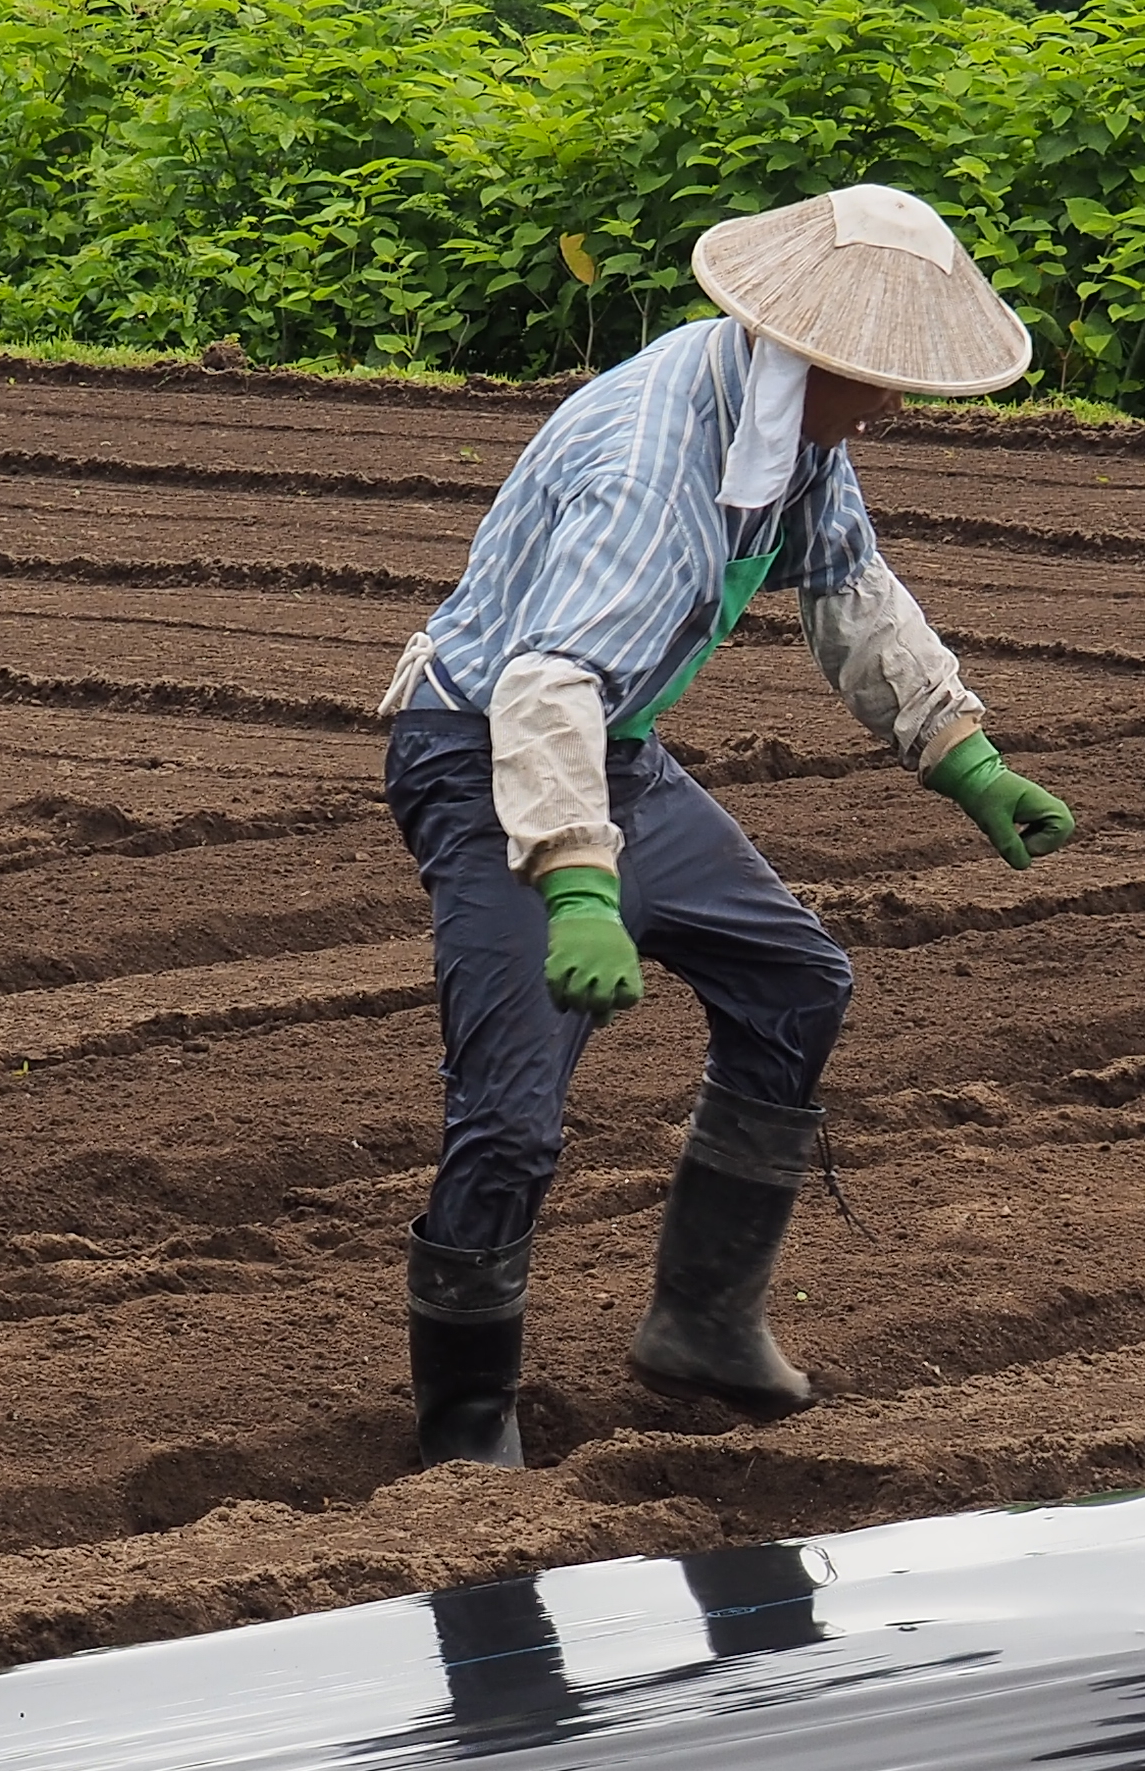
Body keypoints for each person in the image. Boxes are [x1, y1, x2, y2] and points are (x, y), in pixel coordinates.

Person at [378, 184, 1079, 1469]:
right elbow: (546, 685)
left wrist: (963, 756)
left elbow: (852, 591)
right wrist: (581, 888)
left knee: (794, 982)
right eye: (876, 379)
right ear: (808, 356)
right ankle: (467, 1430)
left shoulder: (788, 432)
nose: (895, 406)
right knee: (515, 1117)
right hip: (488, 756)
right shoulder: (652, 462)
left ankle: (702, 1321)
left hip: (617, 753)